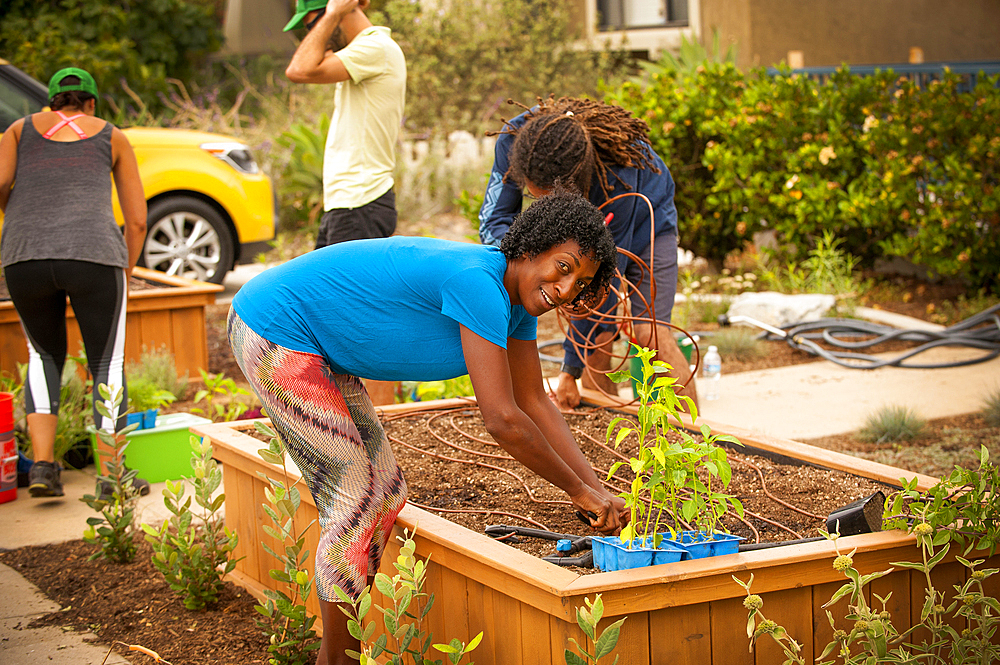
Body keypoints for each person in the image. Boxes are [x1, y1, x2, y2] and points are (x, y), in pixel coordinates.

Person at [228, 190, 625, 665]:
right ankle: (337, 660)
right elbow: (501, 418)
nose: (565, 289)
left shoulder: (516, 306)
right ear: (531, 245)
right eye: (564, 267)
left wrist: (596, 492)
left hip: (316, 350)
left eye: (580, 282)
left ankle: (339, 644)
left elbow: (534, 401)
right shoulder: (478, 281)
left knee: (387, 492)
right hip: (277, 328)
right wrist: (578, 492)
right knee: (354, 496)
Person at [478, 97, 697, 410]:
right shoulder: (515, 141)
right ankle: (614, 431)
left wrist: (570, 369)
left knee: (650, 331)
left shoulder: (619, 177)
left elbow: (599, 281)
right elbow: (494, 220)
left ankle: (697, 443)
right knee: (597, 345)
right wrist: (524, 260)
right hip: (593, 202)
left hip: (650, 213)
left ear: (575, 184)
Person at [0, 67, 147, 497]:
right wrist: (126, 269)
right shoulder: (111, 135)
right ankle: (112, 474)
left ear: (50, 103)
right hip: (94, 256)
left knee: (43, 354)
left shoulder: (17, 130)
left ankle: (44, 468)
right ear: (91, 103)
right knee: (106, 361)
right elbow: (136, 220)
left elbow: (1, 182)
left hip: (23, 258)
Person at [284, 0, 406, 249]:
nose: (316, 37)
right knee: (321, 288)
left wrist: (332, 13)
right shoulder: (361, 54)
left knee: (344, 289)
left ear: (336, 11)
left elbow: (298, 70)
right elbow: (309, 64)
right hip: (350, 204)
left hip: (360, 203)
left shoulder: (375, 48)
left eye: (313, 27)